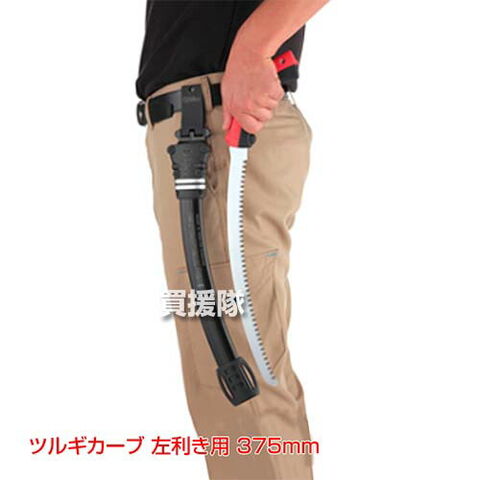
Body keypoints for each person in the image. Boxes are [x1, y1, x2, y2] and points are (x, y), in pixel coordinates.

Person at [137, 1, 328, 478]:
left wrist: (253, 47)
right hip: (198, 125)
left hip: (218, 123)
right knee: (226, 385)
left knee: (241, 385)